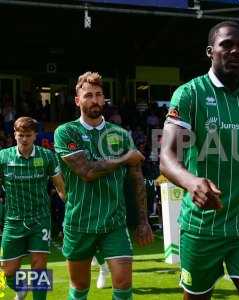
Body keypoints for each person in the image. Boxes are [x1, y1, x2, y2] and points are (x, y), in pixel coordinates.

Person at [160, 21, 239, 300]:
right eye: (227, 44)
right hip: (202, 226)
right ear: (210, 51)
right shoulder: (190, 94)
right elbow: (166, 157)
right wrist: (192, 183)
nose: (236, 50)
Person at [54, 72, 154, 300]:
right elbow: (87, 171)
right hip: (79, 222)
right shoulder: (66, 132)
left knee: (123, 283)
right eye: (88, 95)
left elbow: (136, 179)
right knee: (79, 287)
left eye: (99, 95)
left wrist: (143, 220)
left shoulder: (120, 134)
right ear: (78, 100)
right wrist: (124, 158)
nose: (95, 100)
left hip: (114, 223)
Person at [0, 117, 65, 300]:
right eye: (20, 135)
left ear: (35, 135)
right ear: (14, 135)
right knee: (6, 270)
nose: (24, 139)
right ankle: (21, 287)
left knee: (39, 264)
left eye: (28, 135)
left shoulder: (47, 156)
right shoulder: (3, 157)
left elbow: (60, 187)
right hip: (13, 220)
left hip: (40, 219)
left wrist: (72, 210)